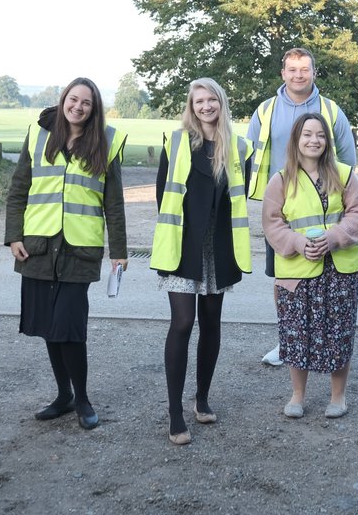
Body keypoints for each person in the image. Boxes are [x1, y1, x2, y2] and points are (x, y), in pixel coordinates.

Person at [5, 78, 128, 431]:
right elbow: (18, 190)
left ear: (94, 108)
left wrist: (118, 251)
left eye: (86, 103)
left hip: (79, 249)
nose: (78, 107)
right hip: (37, 247)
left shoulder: (106, 141)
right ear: (63, 101)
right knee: (48, 327)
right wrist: (13, 235)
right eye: (73, 99)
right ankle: (63, 396)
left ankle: (83, 398)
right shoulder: (40, 134)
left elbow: (113, 202)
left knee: (70, 328)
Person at [149, 78, 253, 445]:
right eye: (199, 101)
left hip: (218, 247)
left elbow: (237, 200)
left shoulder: (240, 147)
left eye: (212, 100)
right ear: (190, 107)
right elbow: (163, 195)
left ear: (221, 103)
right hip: (182, 246)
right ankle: (175, 412)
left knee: (211, 323)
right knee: (183, 322)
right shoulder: (175, 142)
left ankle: (202, 399)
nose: (206, 106)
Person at [247, 47, 355, 366]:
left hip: (324, 209)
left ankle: (322, 341)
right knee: (285, 278)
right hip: (282, 211)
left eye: (304, 69)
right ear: (283, 73)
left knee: (325, 280)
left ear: (313, 72)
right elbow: (249, 157)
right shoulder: (265, 111)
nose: (298, 74)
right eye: (292, 69)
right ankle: (287, 343)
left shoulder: (331, 111)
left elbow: (348, 160)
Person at [262, 113, 358, 418]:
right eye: (307, 134)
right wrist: (297, 243)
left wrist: (334, 237)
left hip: (340, 270)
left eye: (320, 135)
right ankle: (297, 396)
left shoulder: (345, 174)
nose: (314, 140)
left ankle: (338, 397)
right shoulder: (281, 180)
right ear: (296, 140)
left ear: (327, 141)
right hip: (297, 271)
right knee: (296, 333)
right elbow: (272, 224)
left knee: (339, 334)